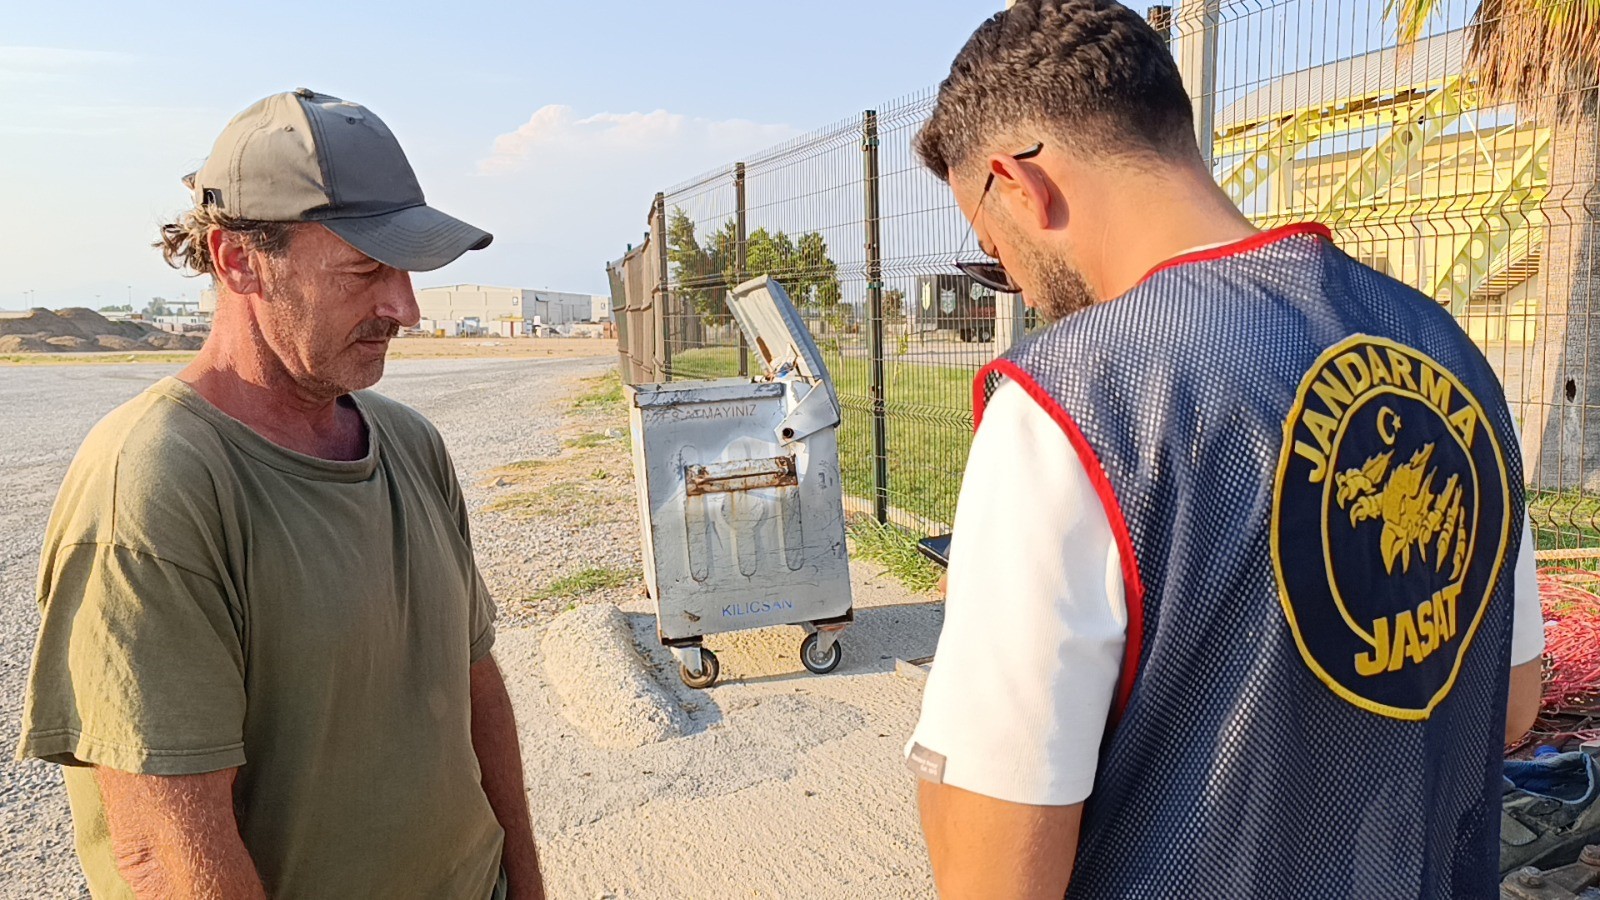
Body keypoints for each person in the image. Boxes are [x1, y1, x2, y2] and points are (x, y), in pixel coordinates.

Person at [904, 3, 1545, 898]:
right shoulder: (1448, 350)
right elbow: (1512, 701)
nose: (1010, 277)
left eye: (991, 250)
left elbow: (997, 876)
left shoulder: (1075, 407)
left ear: (1019, 186)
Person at [16, 89, 544, 899]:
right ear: (238, 259)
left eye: (405, 270)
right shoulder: (154, 486)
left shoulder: (410, 444)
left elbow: (474, 687)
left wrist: (528, 885)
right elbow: (167, 857)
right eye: (366, 268)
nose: (402, 306)